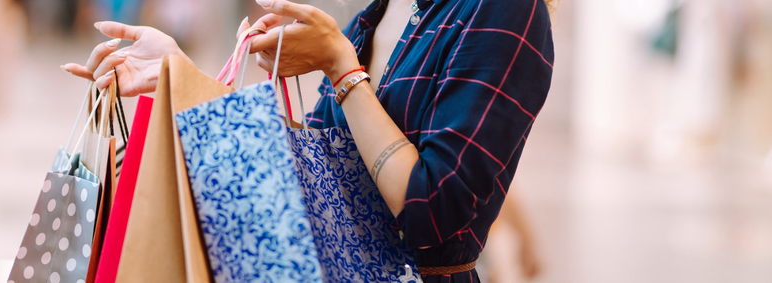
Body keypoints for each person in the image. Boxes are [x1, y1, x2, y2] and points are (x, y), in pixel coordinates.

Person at [62, 0, 554, 281]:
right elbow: (313, 166)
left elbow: (431, 208)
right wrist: (182, 78)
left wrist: (341, 66)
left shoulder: (507, 10)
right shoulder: (384, 9)